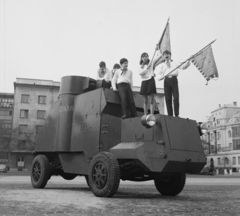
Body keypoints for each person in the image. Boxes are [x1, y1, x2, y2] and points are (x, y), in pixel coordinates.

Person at [156, 50, 191, 117]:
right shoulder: (162, 65)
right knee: (168, 98)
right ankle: (170, 115)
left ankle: (176, 114)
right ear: (163, 56)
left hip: (174, 80)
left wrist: (188, 61)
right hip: (166, 81)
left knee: (176, 97)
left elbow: (183, 66)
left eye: (168, 54)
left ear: (170, 55)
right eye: (165, 54)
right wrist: (161, 77)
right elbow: (158, 74)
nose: (166, 55)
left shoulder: (175, 62)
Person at [138, 45, 162, 115]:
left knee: (151, 99)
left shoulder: (151, 62)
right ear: (141, 58)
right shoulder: (140, 66)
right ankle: (145, 114)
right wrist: (146, 68)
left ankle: (152, 114)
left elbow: (159, 56)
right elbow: (141, 73)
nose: (145, 58)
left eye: (146, 56)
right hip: (144, 82)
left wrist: (157, 49)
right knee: (145, 100)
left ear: (148, 57)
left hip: (151, 80)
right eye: (143, 57)